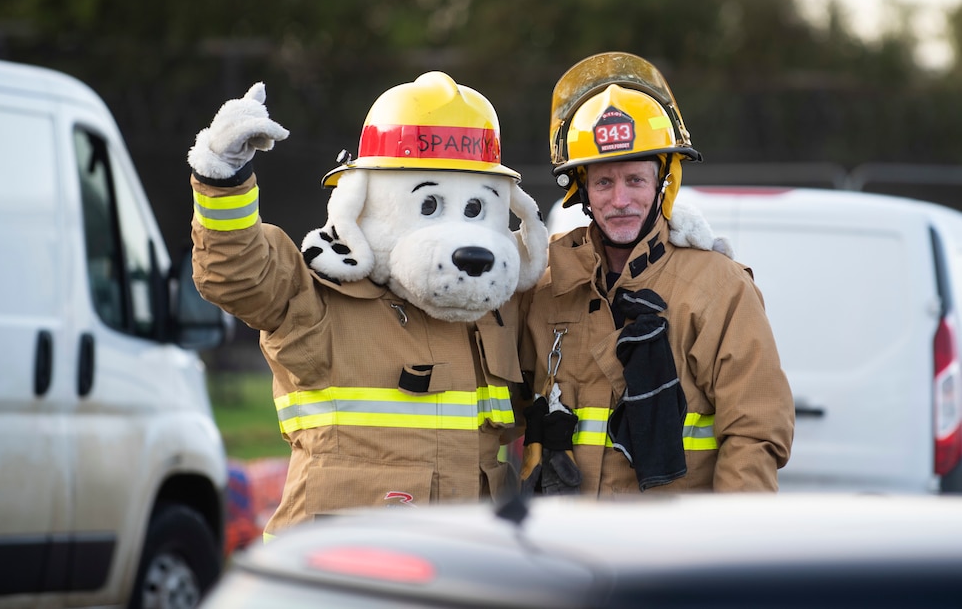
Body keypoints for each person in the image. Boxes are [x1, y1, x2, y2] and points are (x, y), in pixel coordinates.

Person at [186, 72, 550, 538]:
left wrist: (666, 228)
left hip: (466, 557)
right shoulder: (315, 296)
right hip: (342, 567)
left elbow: (586, 295)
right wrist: (223, 176)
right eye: (430, 203)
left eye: (477, 209)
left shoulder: (501, 307)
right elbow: (236, 274)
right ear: (362, 200)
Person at [518, 52, 794, 495]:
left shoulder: (719, 290)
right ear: (582, 191)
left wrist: (735, 542)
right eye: (604, 183)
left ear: (664, 182)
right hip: (567, 543)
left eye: (635, 180)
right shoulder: (546, 288)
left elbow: (755, 431)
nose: (620, 199)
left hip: (670, 549)